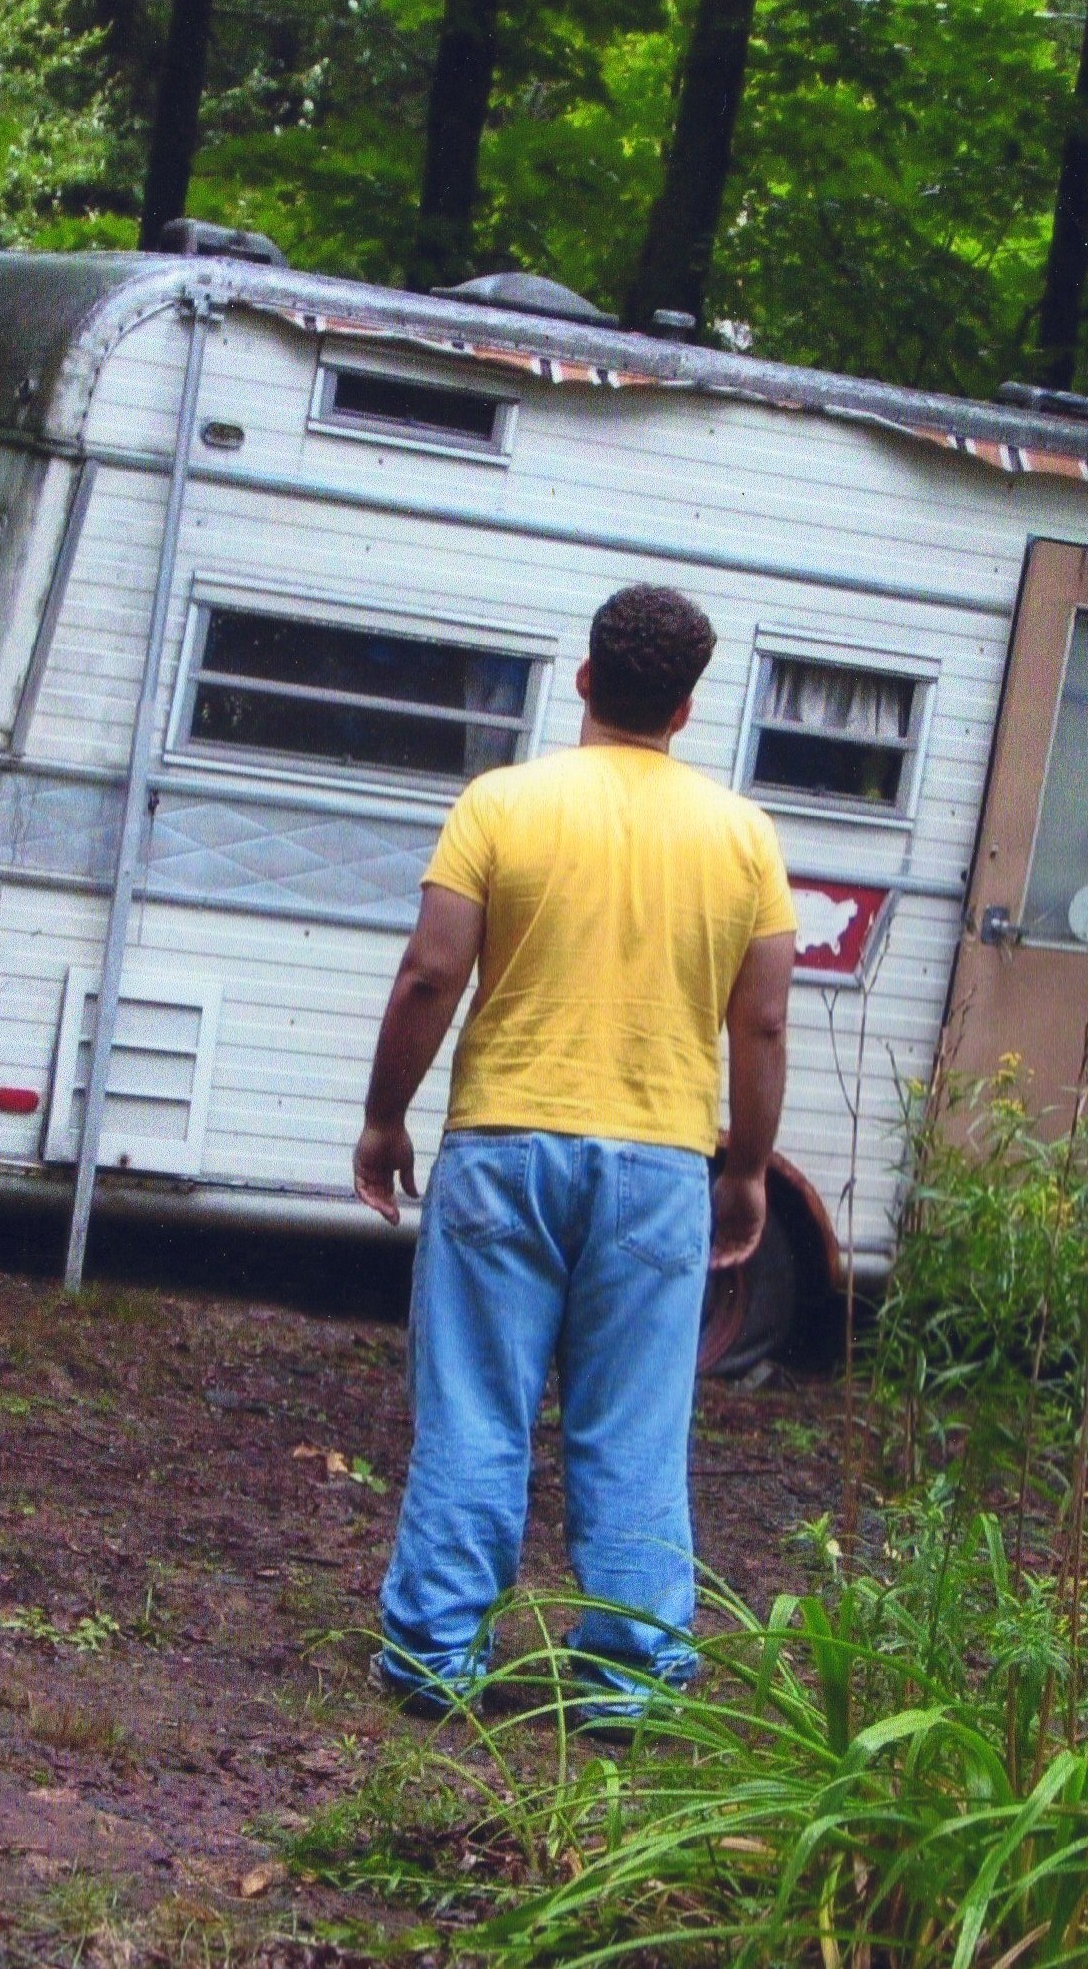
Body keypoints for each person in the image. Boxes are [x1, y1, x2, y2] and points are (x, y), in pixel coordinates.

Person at [351, 583, 796, 1716]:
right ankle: (625, 1679)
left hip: (505, 1141)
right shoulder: (745, 838)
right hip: (657, 1164)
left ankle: (435, 1661)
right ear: (688, 709)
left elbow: (430, 973)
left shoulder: (499, 804)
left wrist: (384, 1114)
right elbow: (761, 1020)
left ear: (586, 677)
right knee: (636, 1426)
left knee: (475, 1407)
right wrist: (743, 1166)